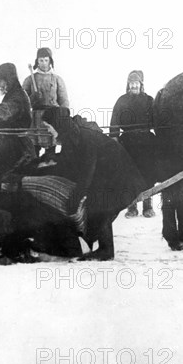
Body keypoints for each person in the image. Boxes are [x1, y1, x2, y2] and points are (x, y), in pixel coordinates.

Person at [42, 107, 147, 260]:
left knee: (100, 201)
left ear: (57, 124)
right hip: (110, 176)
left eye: (48, 127)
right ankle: (95, 245)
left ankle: (106, 250)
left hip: (122, 177)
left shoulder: (84, 138)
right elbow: (66, 165)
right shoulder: (72, 137)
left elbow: (86, 172)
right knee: (97, 199)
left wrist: (76, 198)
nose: (48, 131)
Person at [109, 70, 156, 218]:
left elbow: (157, 121)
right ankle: (132, 207)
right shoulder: (122, 100)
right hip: (128, 141)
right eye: (131, 83)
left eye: (136, 83)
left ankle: (148, 207)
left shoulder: (149, 100)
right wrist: (115, 139)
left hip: (146, 141)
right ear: (128, 84)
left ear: (141, 84)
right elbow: (114, 121)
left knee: (148, 172)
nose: (134, 86)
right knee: (130, 173)